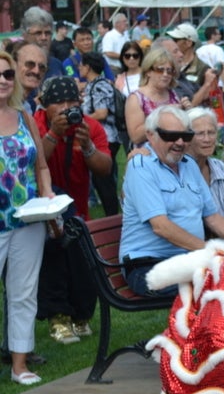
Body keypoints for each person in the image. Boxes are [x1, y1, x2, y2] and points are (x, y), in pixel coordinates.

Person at [120, 105, 224, 296]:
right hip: (147, 265)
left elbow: (212, 217)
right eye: (170, 136)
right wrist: (212, 251)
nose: (179, 142)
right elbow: (161, 227)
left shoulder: (189, 164)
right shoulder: (141, 166)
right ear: (151, 135)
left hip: (189, 259)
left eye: (185, 136)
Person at [33, 75, 112, 346]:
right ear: (45, 105)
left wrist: (87, 145)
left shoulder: (89, 126)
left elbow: (105, 168)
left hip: (78, 210)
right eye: (58, 102)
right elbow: (32, 162)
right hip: (45, 210)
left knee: (82, 264)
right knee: (53, 260)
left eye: (71, 101)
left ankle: (82, 316)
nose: (66, 107)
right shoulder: (36, 123)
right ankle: (58, 318)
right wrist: (54, 134)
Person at [0, 50, 53, 385]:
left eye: (7, 74)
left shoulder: (23, 114)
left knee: (23, 292)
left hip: (27, 220)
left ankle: (20, 365)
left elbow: (41, 165)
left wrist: (48, 197)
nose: (3, 81)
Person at [186, 107, 224, 236]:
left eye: (211, 132)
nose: (207, 139)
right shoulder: (179, 170)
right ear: (187, 137)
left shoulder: (220, 167)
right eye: (200, 134)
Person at [79, 51, 120, 216]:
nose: (79, 68)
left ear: (88, 67)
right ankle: (112, 217)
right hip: (100, 137)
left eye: (81, 65)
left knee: (104, 181)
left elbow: (102, 113)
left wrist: (80, 119)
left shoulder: (100, 85)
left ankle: (113, 219)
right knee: (101, 181)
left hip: (106, 137)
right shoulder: (94, 84)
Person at [124, 47, 181, 146]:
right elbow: (135, 137)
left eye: (169, 71)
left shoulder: (173, 95)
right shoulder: (136, 98)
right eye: (160, 70)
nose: (165, 74)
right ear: (148, 72)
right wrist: (162, 115)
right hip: (148, 154)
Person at [20, 7, 63, 81]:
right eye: (38, 33)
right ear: (25, 36)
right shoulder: (15, 66)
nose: (44, 38)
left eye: (48, 33)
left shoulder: (56, 65)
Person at [9, 42, 48, 113]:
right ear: (14, 65)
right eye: (30, 64)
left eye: (42, 67)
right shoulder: (3, 104)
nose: (36, 71)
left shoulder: (28, 107)